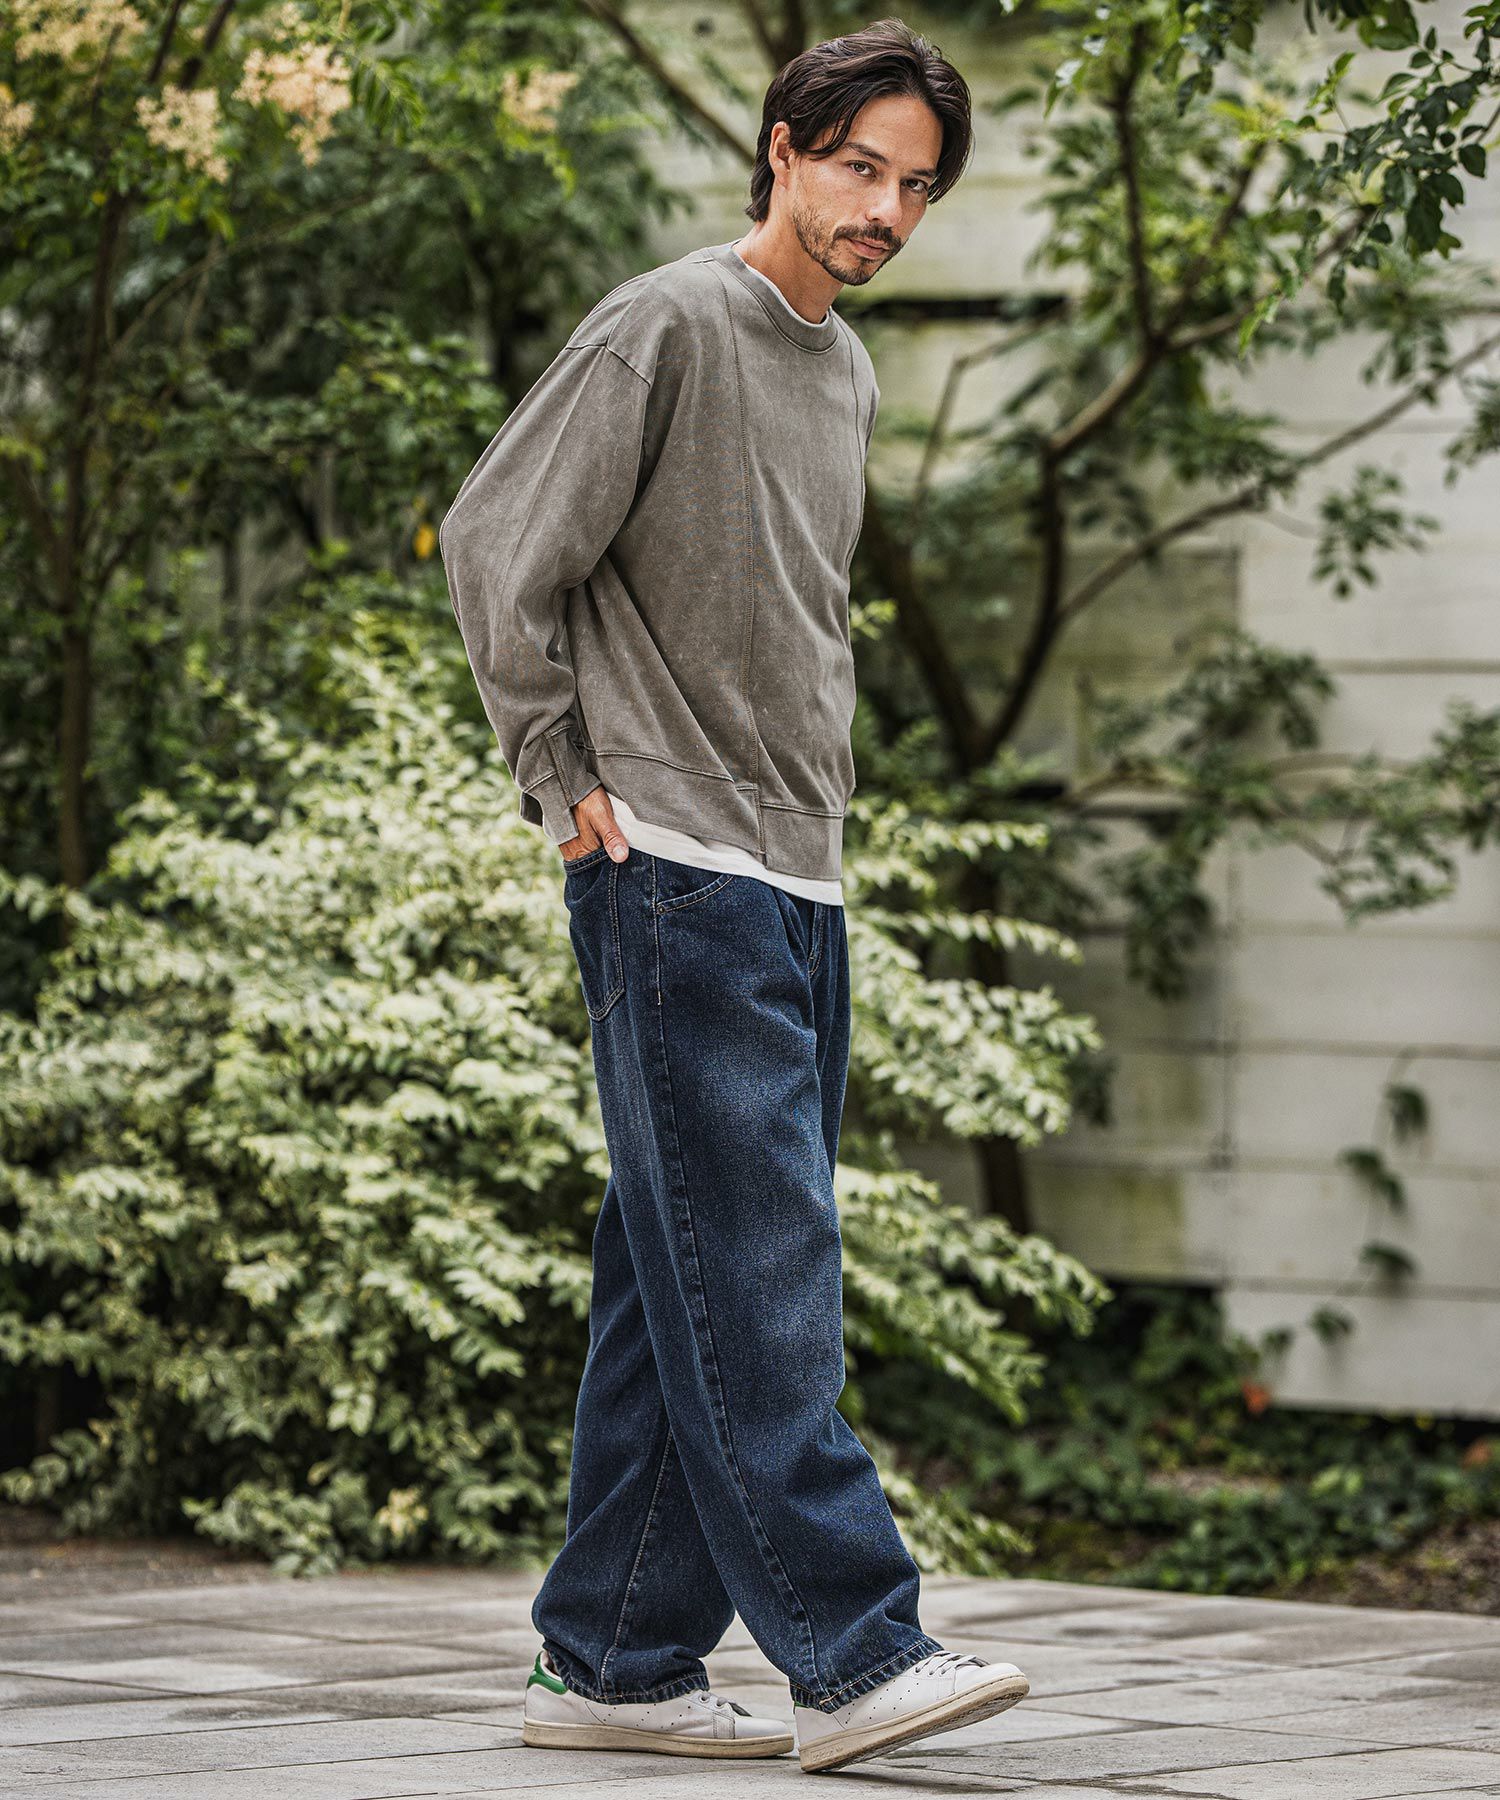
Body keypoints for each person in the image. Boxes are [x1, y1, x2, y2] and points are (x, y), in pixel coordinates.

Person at [439, 16, 1030, 1776]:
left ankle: (615, 1657)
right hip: (672, 865)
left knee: (677, 1264)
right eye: (858, 168)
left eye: (915, 186)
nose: (884, 211)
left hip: (797, 873)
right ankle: (857, 1649)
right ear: (783, 148)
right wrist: (559, 769)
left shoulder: (843, 372)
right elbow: (495, 541)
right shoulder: (669, 324)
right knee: (761, 1266)